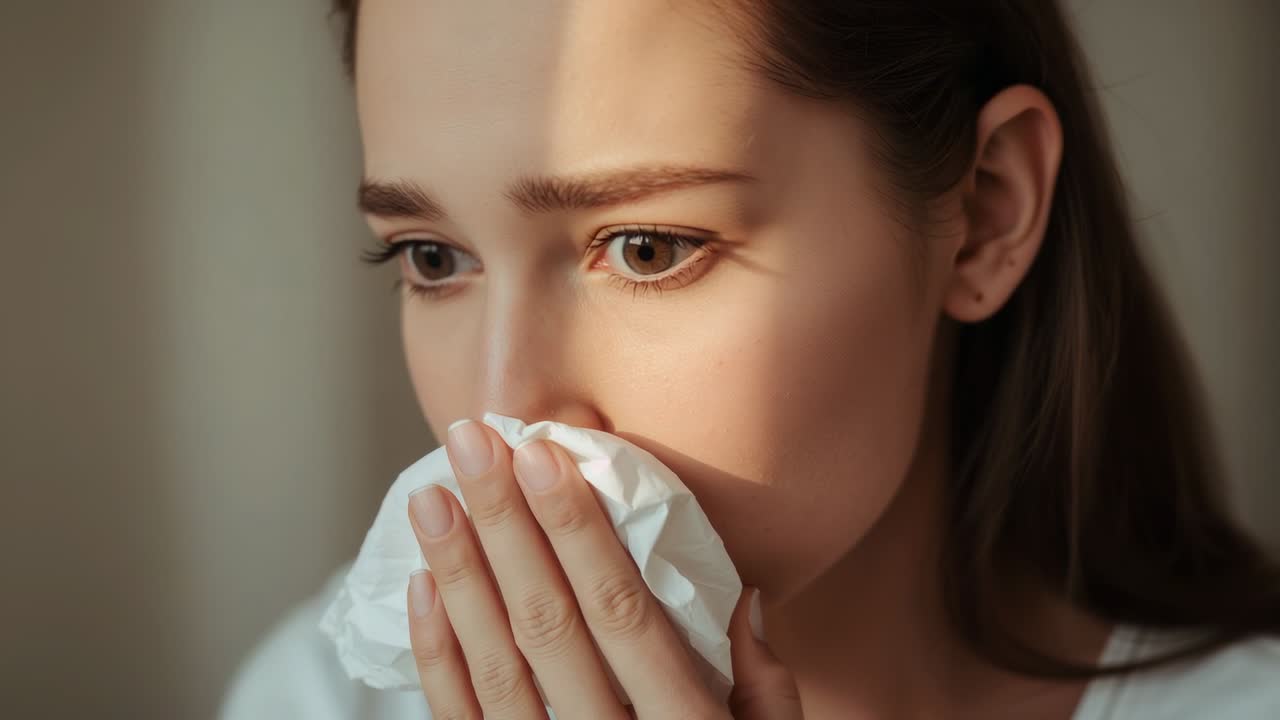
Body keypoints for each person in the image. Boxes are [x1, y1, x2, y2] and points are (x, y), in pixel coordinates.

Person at [220, 1, 1280, 718]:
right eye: (433, 257)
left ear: (983, 212)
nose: (503, 410)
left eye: (647, 248)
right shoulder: (325, 690)